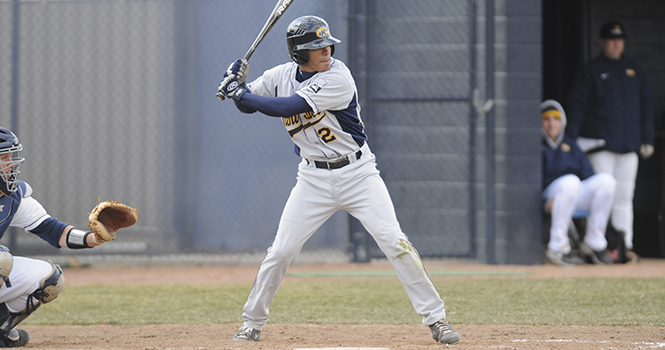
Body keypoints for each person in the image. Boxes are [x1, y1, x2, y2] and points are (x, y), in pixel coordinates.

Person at [217, 15, 461, 345]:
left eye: (328, 44)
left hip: (358, 174)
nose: (327, 50)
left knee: (394, 241)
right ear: (299, 54)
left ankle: (437, 320)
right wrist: (237, 85)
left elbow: (286, 106)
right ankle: (252, 323)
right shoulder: (280, 75)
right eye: (317, 47)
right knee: (282, 251)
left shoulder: (338, 77)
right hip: (312, 179)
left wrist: (239, 93)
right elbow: (251, 107)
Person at [0, 126, 111, 347]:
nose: (11, 164)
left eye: (11, 156)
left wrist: (94, 238)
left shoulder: (11, 197)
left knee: (49, 279)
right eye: (4, 157)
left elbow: (54, 230)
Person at [566, 20, 654, 263]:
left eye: (619, 39)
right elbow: (577, 106)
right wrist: (571, 140)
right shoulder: (591, 70)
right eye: (611, 39)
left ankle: (625, 246)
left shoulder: (633, 71)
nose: (616, 44)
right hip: (601, 146)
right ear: (603, 42)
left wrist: (647, 138)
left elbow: (646, 106)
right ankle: (599, 244)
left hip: (629, 146)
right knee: (604, 195)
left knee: (624, 197)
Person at [541, 100, 617, 266]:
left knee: (606, 181)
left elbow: (589, 176)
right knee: (570, 181)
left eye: (556, 118)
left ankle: (594, 243)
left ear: (562, 121)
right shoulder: (537, 147)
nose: (551, 123)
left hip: (572, 194)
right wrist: (543, 203)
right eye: (546, 119)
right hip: (551, 196)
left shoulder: (571, 145)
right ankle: (558, 247)